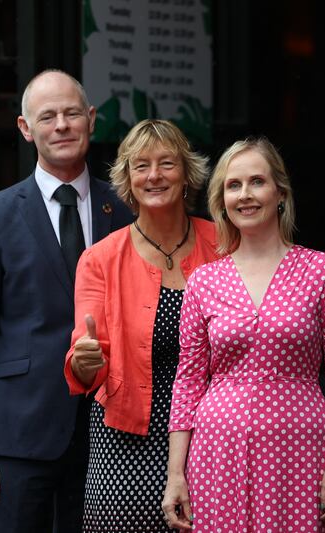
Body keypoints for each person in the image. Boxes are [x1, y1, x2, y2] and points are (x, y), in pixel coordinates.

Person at [0, 69, 133, 532]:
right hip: (17, 438)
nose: (61, 126)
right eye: (47, 116)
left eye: (72, 113)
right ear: (24, 128)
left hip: (107, 438)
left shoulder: (127, 211)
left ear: (91, 120)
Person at [163, 137, 325, 532]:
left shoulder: (321, 269)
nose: (245, 195)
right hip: (218, 450)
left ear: (280, 193)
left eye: (256, 182)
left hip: (301, 447)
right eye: (233, 185)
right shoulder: (203, 280)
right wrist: (175, 473)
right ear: (221, 200)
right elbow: (188, 380)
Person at [64, 119, 218, 532]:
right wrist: (84, 360)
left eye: (167, 163)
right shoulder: (99, 259)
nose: (154, 175)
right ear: (127, 181)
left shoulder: (223, 244)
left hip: (211, 437)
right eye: (141, 166)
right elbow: (87, 367)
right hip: (126, 443)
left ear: (187, 174)